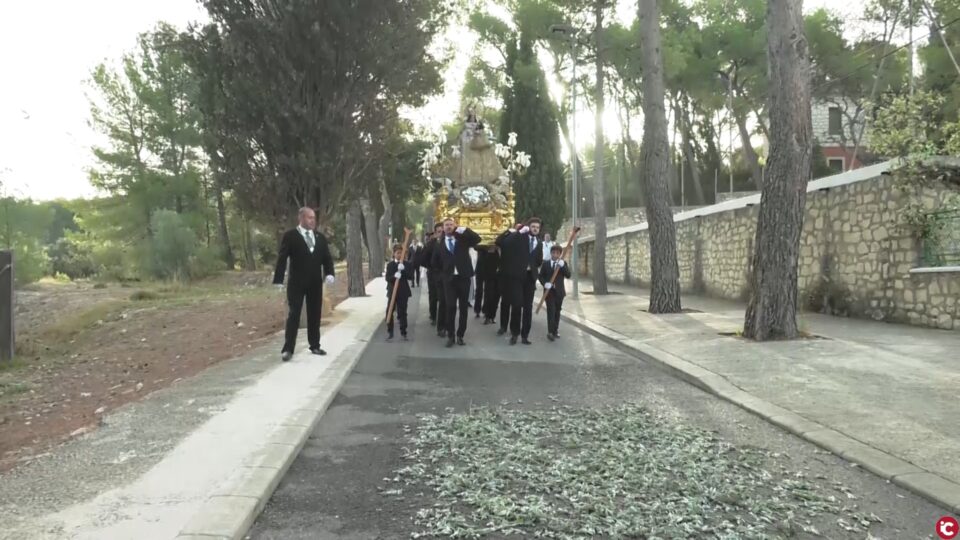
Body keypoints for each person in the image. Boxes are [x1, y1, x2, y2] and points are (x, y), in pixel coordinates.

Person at [273, 207, 336, 361]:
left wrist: (329, 273)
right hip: (296, 283)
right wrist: (279, 280)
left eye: (314, 217)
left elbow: (327, 258)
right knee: (294, 314)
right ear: (301, 218)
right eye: (309, 217)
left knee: (315, 313)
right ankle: (288, 348)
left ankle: (315, 345)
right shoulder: (291, 236)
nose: (312, 220)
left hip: (315, 283)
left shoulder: (319, 237)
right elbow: (282, 258)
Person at [431, 218, 481, 347]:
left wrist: (465, 230)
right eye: (446, 225)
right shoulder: (439, 244)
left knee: (463, 308)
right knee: (451, 307)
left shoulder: (462, 240)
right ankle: (451, 336)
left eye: (451, 225)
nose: (448, 227)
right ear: (443, 227)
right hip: (449, 281)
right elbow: (434, 263)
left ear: (455, 226)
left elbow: (477, 239)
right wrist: (441, 277)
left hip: (464, 278)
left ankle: (460, 335)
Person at [495, 218, 544, 345]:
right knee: (517, 305)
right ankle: (514, 333)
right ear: (528, 227)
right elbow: (503, 243)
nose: (535, 229)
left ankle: (525, 335)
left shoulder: (539, 242)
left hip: (530, 278)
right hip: (517, 277)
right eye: (533, 226)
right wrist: (518, 232)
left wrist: (533, 268)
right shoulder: (519, 238)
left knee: (528, 307)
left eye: (537, 228)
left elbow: (539, 260)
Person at [419, 224, 446, 337]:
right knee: (434, 296)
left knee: (444, 298)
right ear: (435, 233)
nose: (440, 233)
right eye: (438, 231)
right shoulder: (431, 244)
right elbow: (422, 259)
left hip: (445, 274)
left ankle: (444, 320)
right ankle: (434, 316)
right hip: (433, 273)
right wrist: (431, 267)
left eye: (442, 231)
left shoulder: (447, 242)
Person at [539, 244, 571, 342]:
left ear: (560, 254)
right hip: (549, 292)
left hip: (559, 292)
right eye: (553, 253)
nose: (555, 255)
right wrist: (545, 284)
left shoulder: (562, 263)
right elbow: (541, 276)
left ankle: (555, 330)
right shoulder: (546, 264)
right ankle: (550, 332)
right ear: (551, 253)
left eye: (557, 253)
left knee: (557, 311)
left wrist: (563, 267)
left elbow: (568, 275)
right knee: (551, 311)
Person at [384, 244, 412, 341]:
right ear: (394, 254)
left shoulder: (406, 264)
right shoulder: (390, 265)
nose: (400, 255)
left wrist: (403, 270)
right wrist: (394, 276)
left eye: (401, 253)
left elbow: (410, 276)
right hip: (392, 291)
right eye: (398, 253)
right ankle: (390, 331)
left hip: (403, 292)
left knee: (402, 312)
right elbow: (387, 278)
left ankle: (403, 332)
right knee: (389, 311)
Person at [480, 245, 500, 325]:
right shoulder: (489, 249)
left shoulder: (503, 248)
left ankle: (492, 316)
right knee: (489, 295)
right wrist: (489, 249)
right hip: (489, 275)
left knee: (496, 296)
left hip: (500, 275)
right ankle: (487, 316)